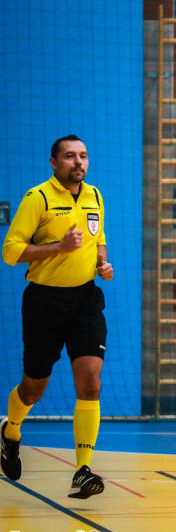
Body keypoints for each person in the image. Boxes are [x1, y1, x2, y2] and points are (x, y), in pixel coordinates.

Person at [1, 135, 113, 499]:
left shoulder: (94, 195)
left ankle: (82, 470)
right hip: (44, 302)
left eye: (82, 156)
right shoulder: (39, 198)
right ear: (54, 162)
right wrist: (59, 248)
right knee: (33, 388)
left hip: (85, 300)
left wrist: (102, 263)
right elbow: (11, 251)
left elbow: (98, 238)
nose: (77, 162)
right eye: (69, 157)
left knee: (91, 380)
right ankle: (10, 431)